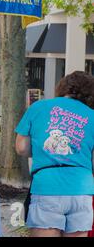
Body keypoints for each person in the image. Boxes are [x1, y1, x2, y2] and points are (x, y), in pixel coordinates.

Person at [15, 71, 94, 237]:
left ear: (62, 87)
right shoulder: (91, 115)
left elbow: (21, 147)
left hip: (47, 186)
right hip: (81, 189)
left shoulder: (38, 107)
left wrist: (42, 152)